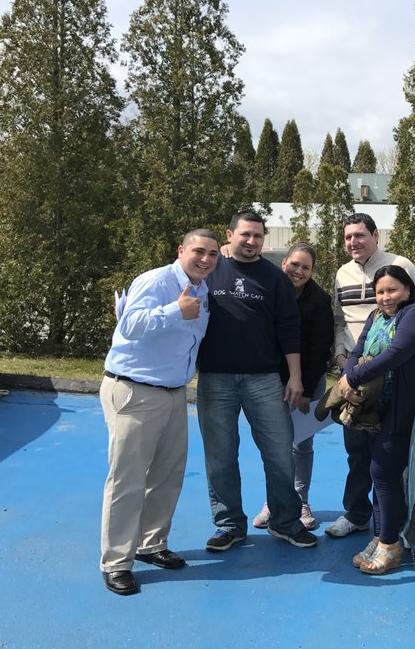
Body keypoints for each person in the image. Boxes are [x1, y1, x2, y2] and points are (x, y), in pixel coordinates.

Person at [99, 229, 220, 596]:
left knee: (167, 474)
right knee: (128, 479)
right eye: (199, 251)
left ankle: (150, 544)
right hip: (135, 390)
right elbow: (129, 325)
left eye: (213, 254)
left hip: (173, 393)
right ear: (181, 250)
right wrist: (174, 311)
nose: (205, 259)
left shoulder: (202, 290)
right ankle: (116, 562)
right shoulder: (155, 281)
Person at [195, 210, 317, 551]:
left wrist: (295, 377)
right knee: (220, 456)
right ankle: (229, 525)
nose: (251, 241)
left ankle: (285, 522)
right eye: (245, 234)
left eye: (258, 236)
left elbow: (289, 329)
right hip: (215, 379)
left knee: (279, 453)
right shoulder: (209, 270)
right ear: (229, 235)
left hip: (264, 379)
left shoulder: (275, 278)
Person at [325, 212, 415, 539]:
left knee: (392, 457)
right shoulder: (342, 273)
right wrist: (342, 358)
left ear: (375, 236)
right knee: (358, 451)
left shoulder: (400, 265)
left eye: (360, 235)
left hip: (393, 375)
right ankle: (357, 513)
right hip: (355, 370)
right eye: (348, 237)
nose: (353, 242)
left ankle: (398, 523)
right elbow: (340, 319)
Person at [338, 264, 415, 574]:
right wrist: (348, 376)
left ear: (407, 290)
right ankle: (381, 538)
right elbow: (358, 350)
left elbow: (395, 354)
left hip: (400, 409)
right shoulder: (376, 316)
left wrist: (353, 378)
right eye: (380, 291)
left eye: (392, 290)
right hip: (375, 409)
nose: (385, 297)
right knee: (380, 473)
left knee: (383, 473)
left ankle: (391, 545)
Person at [252, 242, 334, 531]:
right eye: (295, 264)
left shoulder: (320, 301)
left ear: (312, 272)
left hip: (308, 379)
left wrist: (306, 390)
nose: (299, 271)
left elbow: (321, 348)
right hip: (271, 380)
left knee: (301, 444)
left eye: (306, 267)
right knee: (275, 445)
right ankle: (274, 500)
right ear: (284, 263)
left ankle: (300, 500)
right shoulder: (268, 290)